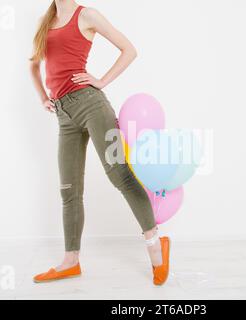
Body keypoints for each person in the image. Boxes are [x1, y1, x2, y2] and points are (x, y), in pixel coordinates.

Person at [29, 0, 170, 285]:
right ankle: (71, 261)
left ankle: (156, 247)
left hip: (92, 105)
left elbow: (129, 50)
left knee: (120, 175)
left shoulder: (88, 15)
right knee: (69, 189)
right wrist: (43, 97)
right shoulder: (45, 20)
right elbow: (34, 65)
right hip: (63, 115)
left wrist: (102, 81)